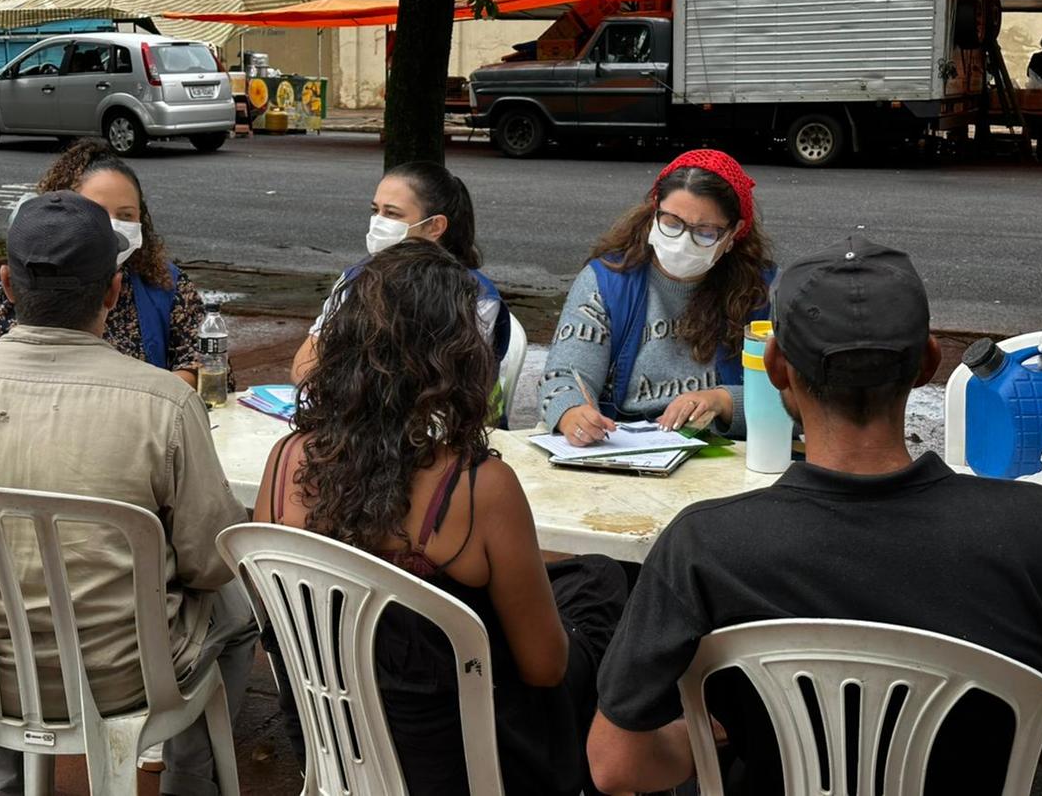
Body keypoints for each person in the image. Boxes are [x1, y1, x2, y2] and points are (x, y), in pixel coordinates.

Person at [586, 234, 1042, 795]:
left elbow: (617, 767)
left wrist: (715, 736)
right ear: (928, 363)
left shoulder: (703, 547)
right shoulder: (1039, 529)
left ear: (776, 369)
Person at [0, 192, 257, 796]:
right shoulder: (164, 403)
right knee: (240, 613)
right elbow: (209, 562)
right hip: (126, 679)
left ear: (7, 286)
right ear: (114, 291)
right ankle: (189, 785)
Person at [258, 239, 627, 796]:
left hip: (336, 743)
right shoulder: (477, 488)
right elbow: (545, 668)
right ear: (456, 356)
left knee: (587, 576)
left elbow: (280, 616)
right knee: (604, 589)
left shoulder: (287, 460)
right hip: (463, 762)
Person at [539, 149, 773, 447]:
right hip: (622, 446)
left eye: (705, 232)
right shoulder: (607, 281)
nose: (683, 241)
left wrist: (723, 401)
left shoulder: (759, 292)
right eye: (672, 223)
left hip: (722, 453)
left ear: (734, 232)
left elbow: (793, 399)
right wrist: (573, 413)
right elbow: (563, 376)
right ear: (654, 212)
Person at [0, 138, 228, 390]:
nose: (112, 227)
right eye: (96, 212)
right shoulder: (24, 286)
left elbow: (209, 366)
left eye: (126, 215)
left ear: (112, 291)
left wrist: (149, 398)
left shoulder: (164, 284)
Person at [290, 161, 510, 387]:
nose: (378, 223)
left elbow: (452, 392)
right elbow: (305, 367)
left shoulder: (473, 296)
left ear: (434, 226)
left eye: (392, 214)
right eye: (376, 211)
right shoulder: (357, 278)